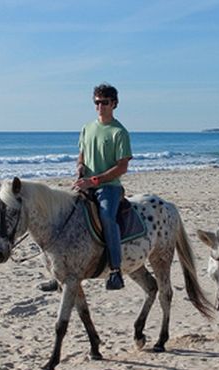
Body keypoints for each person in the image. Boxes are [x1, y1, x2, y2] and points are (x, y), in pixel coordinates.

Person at [69, 82, 133, 290]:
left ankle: (115, 271)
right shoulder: (87, 128)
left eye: (104, 102)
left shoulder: (119, 132)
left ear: (114, 104)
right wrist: (80, 168)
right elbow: (82, 155)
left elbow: (122, 167)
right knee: (65, 213)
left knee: (107, 217)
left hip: (109, 187)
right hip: (86, 183)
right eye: (96, 102)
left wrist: (94, 181)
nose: (100, 106)